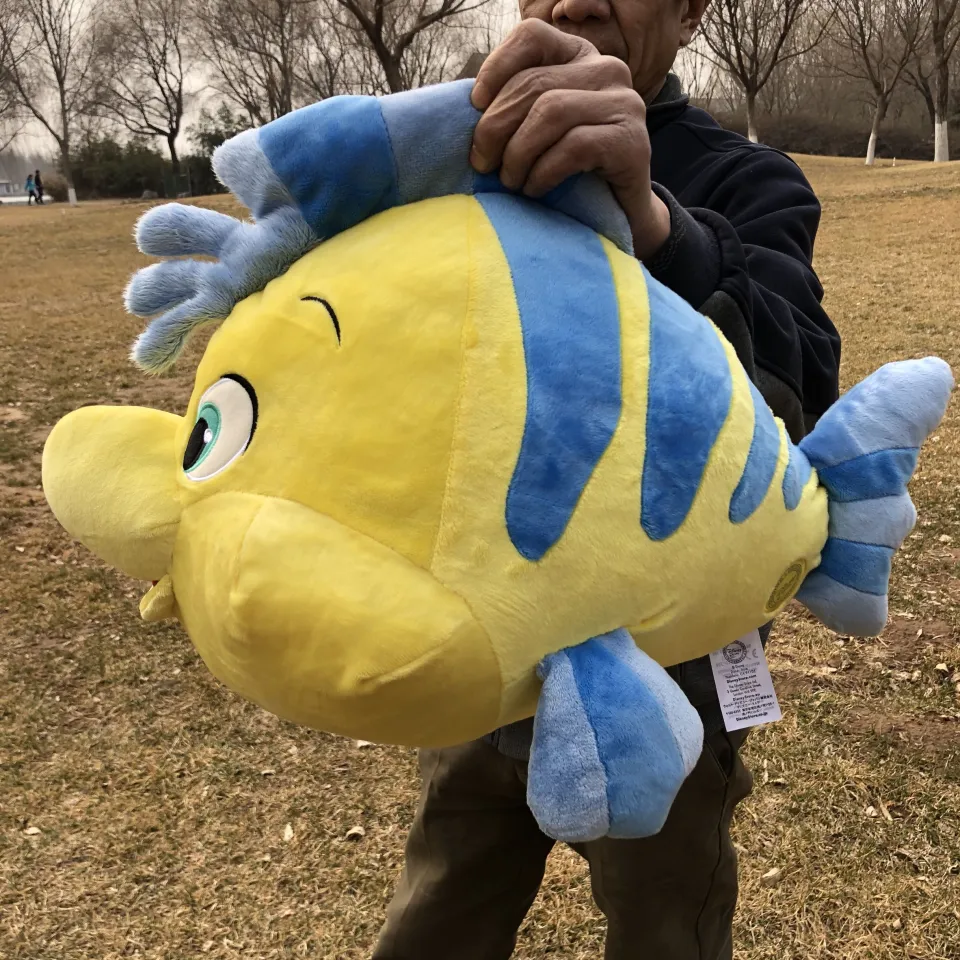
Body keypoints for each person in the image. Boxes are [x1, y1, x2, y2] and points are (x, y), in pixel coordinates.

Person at [373, 1, 842, 957]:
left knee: (663, 926)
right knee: (439, 911)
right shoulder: (456, 155)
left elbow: (795, 393)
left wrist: (657, 224)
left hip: (668, 675)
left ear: (691, 8)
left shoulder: (750, 180)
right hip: (484, 646)